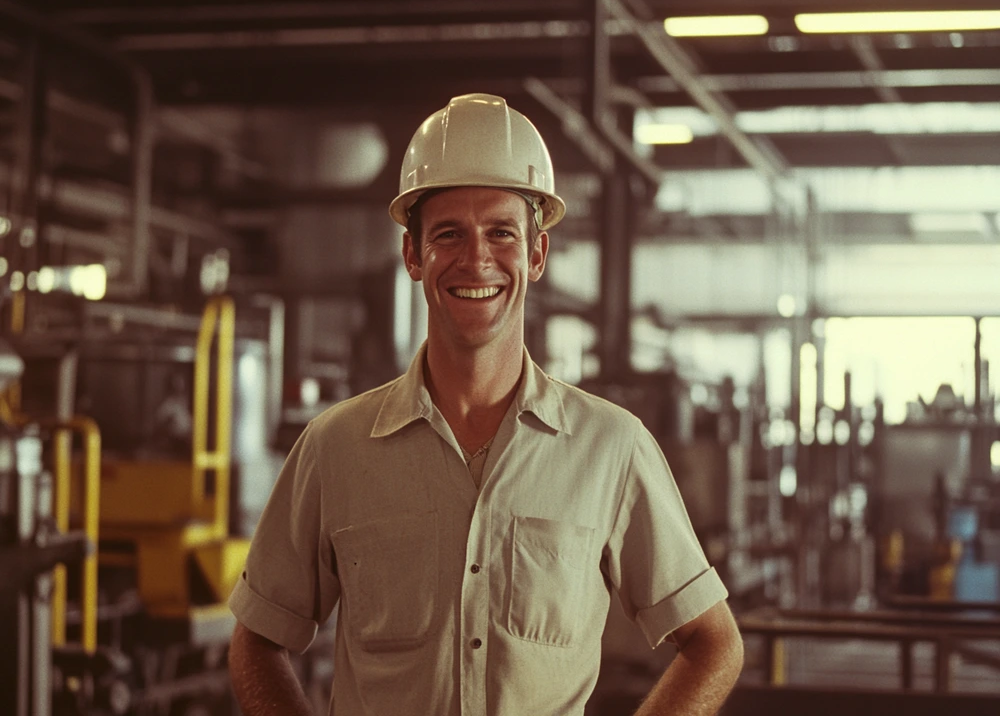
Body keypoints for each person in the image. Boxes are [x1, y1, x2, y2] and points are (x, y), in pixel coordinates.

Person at [228, 93, 743, 716]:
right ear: (413, 255)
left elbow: (714, 643)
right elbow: (257, 639)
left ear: (536, 254)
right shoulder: (335, 448)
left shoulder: (612, 448)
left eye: (501, 232)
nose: (477, 259)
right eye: (448, 234)